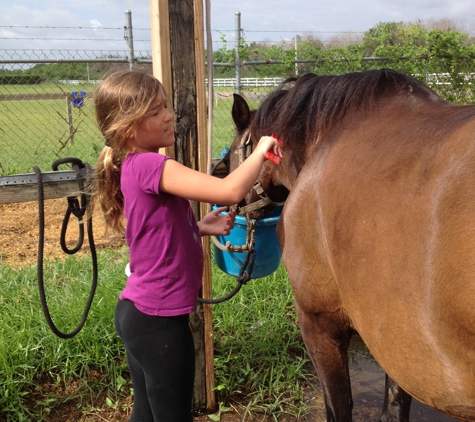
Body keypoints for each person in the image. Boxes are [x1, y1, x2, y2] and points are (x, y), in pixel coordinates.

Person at [92, 70, 282, 422]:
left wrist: (199, 227)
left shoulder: (134, 166)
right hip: (159, 323)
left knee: (147, 415)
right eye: (154, 112)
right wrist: (260, 148)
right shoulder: (152, 164)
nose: (168, 116)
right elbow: (228, 191)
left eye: (165, 106)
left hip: (140, 315)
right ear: (127, 128)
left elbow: (153, 234)